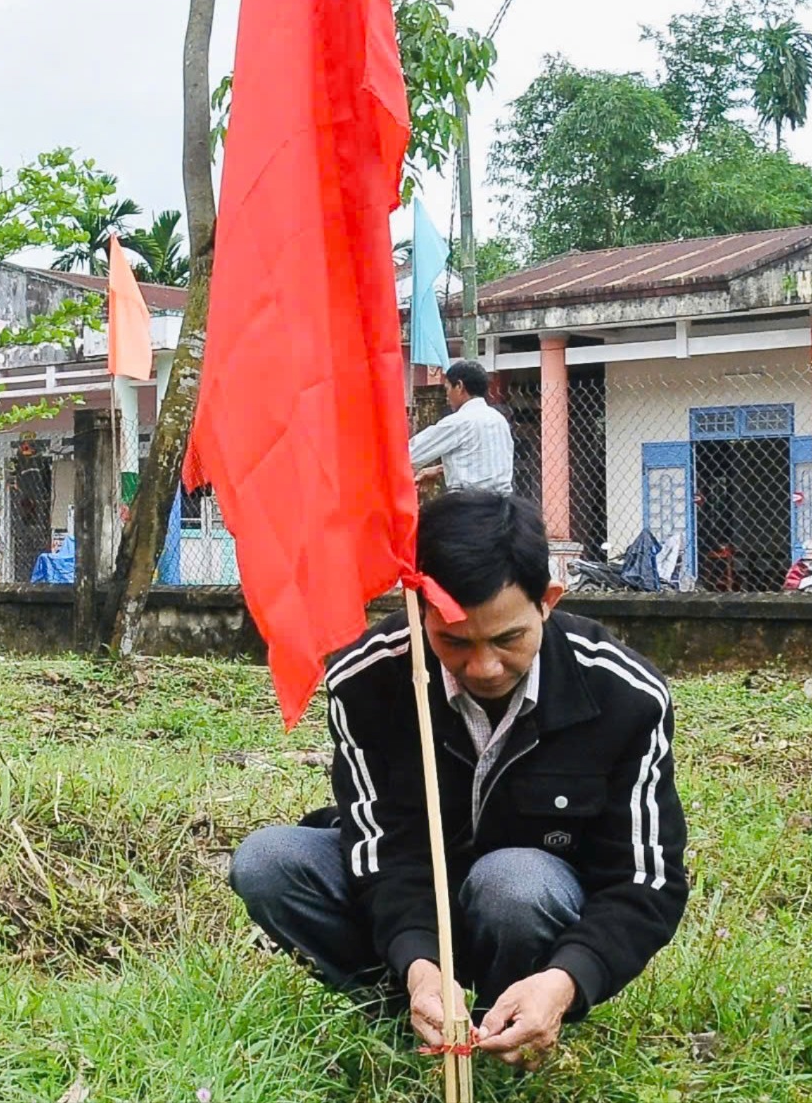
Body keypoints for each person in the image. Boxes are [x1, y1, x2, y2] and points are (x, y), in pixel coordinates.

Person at [228, 491, 686, 1069]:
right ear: (419, 608)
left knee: (514, 882)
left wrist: (569, 979)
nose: (484, 668)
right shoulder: (366, 679)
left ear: (548, 601)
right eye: (454, 641)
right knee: (268, 862)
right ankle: (407, 1015)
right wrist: (419, 966)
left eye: (507, 639)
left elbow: (646, 881)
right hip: (411, 906)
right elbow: (384, 848)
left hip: (532, 909)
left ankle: (516, 1022)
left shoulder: (626, 694)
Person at [410, 359, 514, 494]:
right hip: (504, 505)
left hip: (469, 506)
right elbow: (482, 461)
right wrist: (440, 469)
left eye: (447, 389)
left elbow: (410, 455)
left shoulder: (458, 422)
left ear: (459, 386)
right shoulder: (498, 420)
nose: (447, 397)